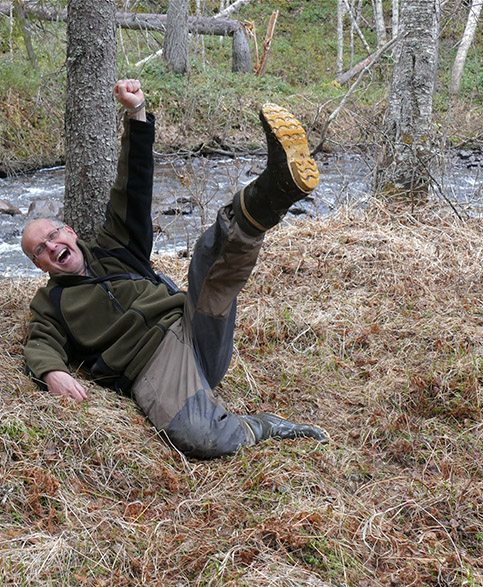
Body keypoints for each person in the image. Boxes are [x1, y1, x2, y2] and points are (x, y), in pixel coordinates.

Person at [21, 79, 328, 459]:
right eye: (41, 249)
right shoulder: (50, 302)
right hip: (153, 364)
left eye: (53, 235)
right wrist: (53, 372)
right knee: (199, 437)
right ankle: (262, 426)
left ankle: (273, 190)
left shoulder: (114, 245)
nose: (52, 246)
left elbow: (132, 188)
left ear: (68, 231)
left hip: (191, 324)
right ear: (38, 264)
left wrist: (136, 113)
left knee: (210, 262)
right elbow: (40, 342)